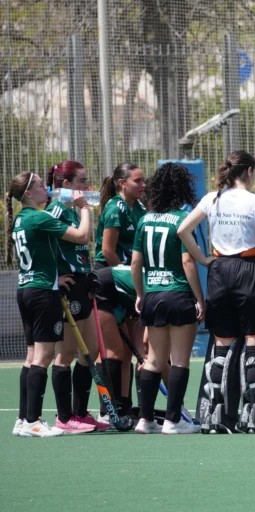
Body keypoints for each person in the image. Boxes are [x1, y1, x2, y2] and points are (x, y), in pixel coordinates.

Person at [178, 151, 255, 434]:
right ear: (248, 171)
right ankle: (252, 413)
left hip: (220, 270)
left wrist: (202, 259)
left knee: (221, 344)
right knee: (254, 341)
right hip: (250, 269)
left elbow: (183, 229)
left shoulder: (212, 198)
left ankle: (216, 415)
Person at [7, 172, 92, 437]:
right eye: (42, 186)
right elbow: (81, 236)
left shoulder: (20, 220)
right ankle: (33, 421)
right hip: (43, 294)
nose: (48, 189)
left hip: (25, 290)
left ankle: (23, 419)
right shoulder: (39, 217)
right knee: (43, 358)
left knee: (31, 356)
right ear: (29, 194)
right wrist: (84, 208)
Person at [131, 163, 205, 434]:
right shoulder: (182, 220)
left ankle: (145, 419)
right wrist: (200, 299)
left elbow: (136, 262)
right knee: (180, 360)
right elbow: (188, 262)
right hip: (178, 295)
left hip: (153, 296)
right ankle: (174, 420)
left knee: (154, 360)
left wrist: (141, 294)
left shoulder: (144, 220)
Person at [44, 161, 109, 433]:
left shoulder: (70, 210)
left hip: (82, 284)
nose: (86, 186)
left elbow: (80, 249)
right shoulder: (57, 209)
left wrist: (88, 273)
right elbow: (78, 239)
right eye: (81, 181)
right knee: (66, 354)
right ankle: (64, 416)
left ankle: (81, 413)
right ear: (66, 184)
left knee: (90, 352)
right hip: (66, 289)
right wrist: (54, 278)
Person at [93, 162, 146, 421]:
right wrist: (130, 278)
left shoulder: (141, 208)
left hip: (125, 284)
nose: (143, 185)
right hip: (108, 282)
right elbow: (107, 251)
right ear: (122, 183)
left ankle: (124, 405)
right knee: (112, 351)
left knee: (126, 352)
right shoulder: (116, 208)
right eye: (138, 181)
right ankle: (108, 410)